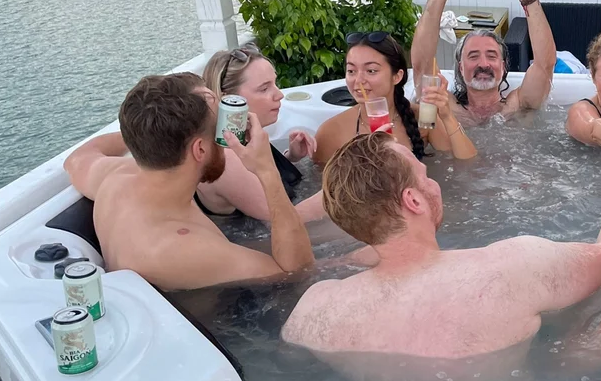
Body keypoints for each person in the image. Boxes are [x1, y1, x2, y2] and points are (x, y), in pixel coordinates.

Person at [281, 132, 601, 358]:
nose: (433, 184)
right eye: (424, 176)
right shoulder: (513, 267)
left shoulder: (314, 310)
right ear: (413, 201)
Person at [64, 73, 314, 290]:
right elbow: (297, 271)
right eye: (221, 126)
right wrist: (267, 170)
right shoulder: (179, 247)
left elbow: (75, 160)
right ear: (200, 150)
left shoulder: (115, 179)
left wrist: (151, 132)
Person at [410, 0, 557, 124]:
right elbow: (422, 64)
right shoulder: (446, 108)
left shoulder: (520, 106)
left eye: (492, 56)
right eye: (473, 56)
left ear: (503, 66)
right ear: (461, 67)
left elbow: (545, 64)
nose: (484, 64)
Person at [197, 43, 325, 222]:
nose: (279, 94)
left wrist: (290, 158)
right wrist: (339, 190)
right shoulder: (226, 158)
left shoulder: (245, 135)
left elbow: (257, 181)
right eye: (264, 89)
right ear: (230, 101)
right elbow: (286, 222)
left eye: (275, 83)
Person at [314, 31, 476, 166]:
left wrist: (447, 116)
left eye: (371, 71)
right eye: (351, 71)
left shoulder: (421, 118)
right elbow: (322, 188)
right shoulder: (331, 132)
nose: (358, 80)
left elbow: (467, 165)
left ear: (397, 76)